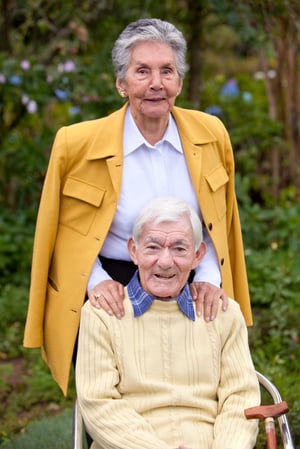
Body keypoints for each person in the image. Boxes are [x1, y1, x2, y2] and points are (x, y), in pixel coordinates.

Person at [23, 18, 252, 396]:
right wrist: (96, 283)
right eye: (142, 71)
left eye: (167, 71)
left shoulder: (212, 134)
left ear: (179, 81)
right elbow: (60, 232)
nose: (156, 83)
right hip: (111, 278)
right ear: (121, 83)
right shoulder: (76, 143)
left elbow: (219, 223)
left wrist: (210, 276)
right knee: (118, 396)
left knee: (197, 393)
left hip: (188, 275)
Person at [75, 197, 260, 449]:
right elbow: (98, 404)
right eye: (152, 247)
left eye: (179, 249)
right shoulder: (100, 315)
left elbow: (241, 399)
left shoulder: (224, 314)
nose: (164, 261)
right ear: (133, 251)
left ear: (198, 255)